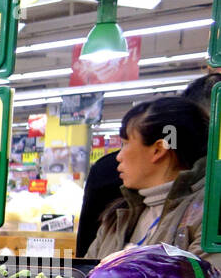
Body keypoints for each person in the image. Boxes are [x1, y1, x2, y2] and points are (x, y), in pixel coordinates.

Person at [77, 73, 220, 256]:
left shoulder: (208, 218)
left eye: (126, 143)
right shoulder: (117, 217)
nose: (118, 157)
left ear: (158, 150)